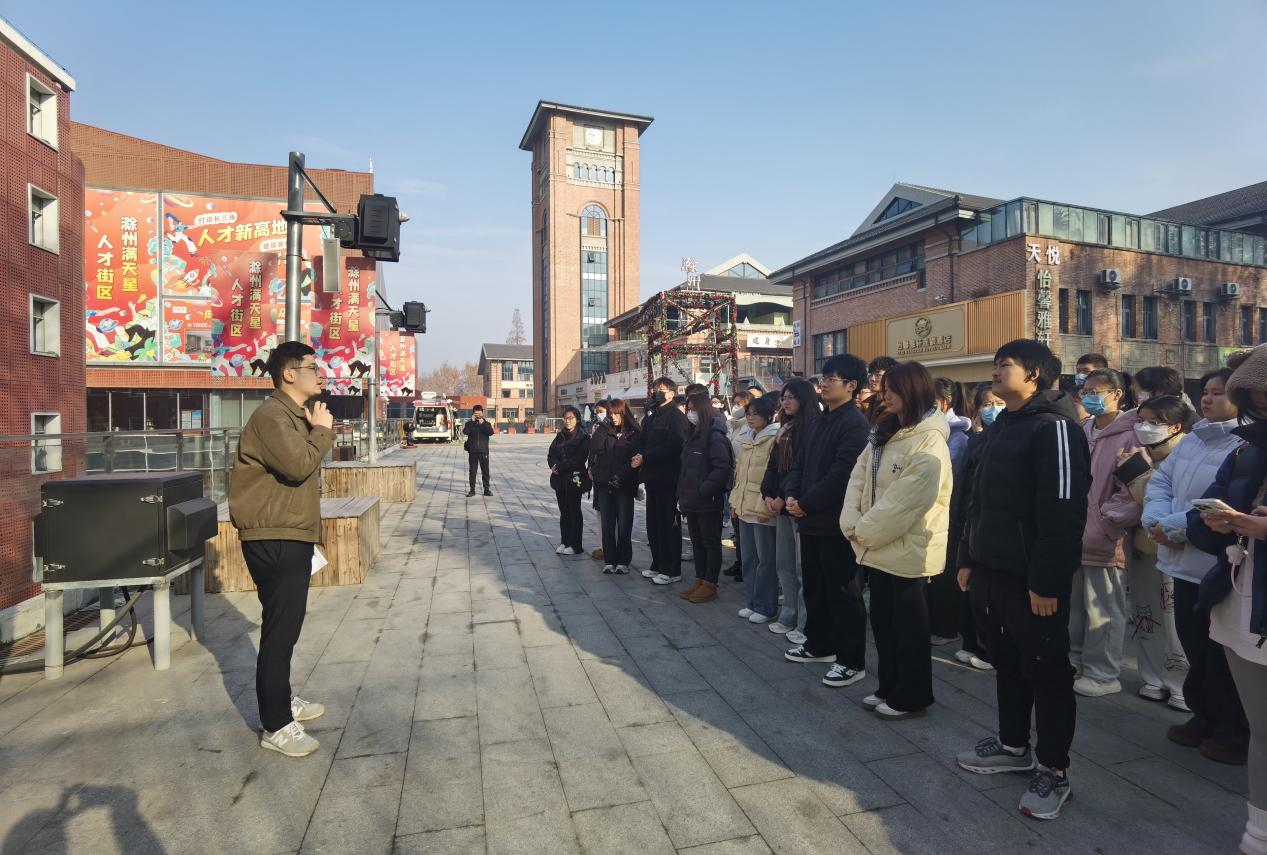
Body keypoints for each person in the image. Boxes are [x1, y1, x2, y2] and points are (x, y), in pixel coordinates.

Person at [955, 339, 1090, 821]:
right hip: (990, 570)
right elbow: (976, 501)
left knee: (1047, 673)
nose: (994, 372)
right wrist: (967, 557)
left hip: (1032, 581)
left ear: (1033, 374)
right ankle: (1013, 744)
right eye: (995, 364)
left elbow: (1064, 511)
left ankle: (1053, 769)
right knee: (1008, 663)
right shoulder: (999, 428)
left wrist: (1047, 582)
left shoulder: (1055, 428)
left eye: (1004, 365)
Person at [228, 341, 334, 758]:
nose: (320, 374)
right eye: (313, 367)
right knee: (280, 629)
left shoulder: (289, 415)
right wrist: (322, 429)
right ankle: (276, 724)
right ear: (289, 374)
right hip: (275, 535)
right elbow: (298, 465)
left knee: (285, 626)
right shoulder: (272, 416)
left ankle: (282, 698)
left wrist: (313, 428)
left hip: (287, 531)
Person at [1144, 368, 1250, 762]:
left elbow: (1225, 501)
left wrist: (1174, 526)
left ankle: (1233, 728)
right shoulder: (1193, 439)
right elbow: (1161, 482)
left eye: (1219, 392)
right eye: (1205, 391)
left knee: (1222, 653)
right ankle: (1203, 715)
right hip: (1180, 561)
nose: (1208, 399)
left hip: (1217, 563)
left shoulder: (1246, 443)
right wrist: (1156, 520)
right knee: (1195, 645)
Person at [1187, 346, 1267, 855]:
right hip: (1240, 598)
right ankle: (1259, 830)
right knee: (1262, 727)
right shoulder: (1244, 451)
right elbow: (1201, 520)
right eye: (1256, 398)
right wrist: (1215, 523)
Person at [842, 362, 952, 719]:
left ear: (914, 391)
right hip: (877, 545)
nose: (885, 395)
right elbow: (859, 477)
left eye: (893, 389)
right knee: (884, 625)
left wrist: (863, 531)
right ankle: (889, 686)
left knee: (909, 630)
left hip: (907, 549)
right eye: (885, 388)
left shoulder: (929, 439)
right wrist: (851, 522)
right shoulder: (885, 430)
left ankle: (913, 696)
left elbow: (908, 501)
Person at [783, 354, 871, 688]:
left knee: (843, 593)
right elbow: (800, 463)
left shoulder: (855, 424)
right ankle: (819, 644)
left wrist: (805, 503)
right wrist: (792, 495)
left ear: (851, 385)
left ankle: (850, 660)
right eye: (824, 377)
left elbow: (842, 475)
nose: (824, 383)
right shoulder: (821, 420)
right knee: (815, 588)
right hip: (808, 519)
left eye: (832, 379)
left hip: (835, 523)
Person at [1104, 395, 1193, 710]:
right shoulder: (1138, 451)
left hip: (1175, 548)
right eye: (1141, 420)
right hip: (1143, 547)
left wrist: (1138, 475)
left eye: (1154, 422)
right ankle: (1153, 677)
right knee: (1145, 615)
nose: (1144, 427)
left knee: (1174, 619)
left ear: (1175, 426)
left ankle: (1183, 684)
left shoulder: (1187, 454)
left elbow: (1167, 500)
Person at [1071, 368, 1140, 696]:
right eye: (1085, 391)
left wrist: (1106, 521)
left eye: (1096, 391)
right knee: (1075, 607)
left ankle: (1103, 673)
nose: (1089, 397)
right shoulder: (1083, 429)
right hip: (1074, 534)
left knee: (1104, 609)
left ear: (1117, 394)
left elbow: (1133, 491)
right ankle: (1075, 661)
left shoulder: (1131, 436)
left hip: (1106, 538)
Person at [947, 383, 1005, 671]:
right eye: (987, 404)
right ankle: (972, 642)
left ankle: (989, 648)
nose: (993, 409)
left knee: (991, 594)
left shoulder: (1007, 439)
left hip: (993, 527)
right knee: (969, 587)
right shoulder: (976, 440)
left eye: (999, 403)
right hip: (968, 519)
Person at [762, 380, 818, 644]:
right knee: (783, 563)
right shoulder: (784, 427)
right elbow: (772, 465)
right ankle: (789, 614)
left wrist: (783, 497)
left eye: (791, 397)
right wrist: (767, 493)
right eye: (783, 397)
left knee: (801, 567)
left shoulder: (812, 427)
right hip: (780, 503)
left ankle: (805, 622)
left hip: (798, 504)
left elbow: (801, 469)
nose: (785, 401)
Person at [676, 392, 734, 603]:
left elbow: (722, 468)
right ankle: (699, 579)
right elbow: (685, 470)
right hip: (691, 501)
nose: (690, 413)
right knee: (697, 542)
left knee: (710, 543)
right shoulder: (692, 435)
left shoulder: (715, 436)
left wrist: (704, 490)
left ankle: (710, 583)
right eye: (688, 409)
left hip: (707, 501)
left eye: (693, 409)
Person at [632, 378, 690, 584]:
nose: (657, 392)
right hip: (652, 477)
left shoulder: (677, 417)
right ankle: (657, 563)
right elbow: (642, 440)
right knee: (653, 524)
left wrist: (646, 457)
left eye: (661, 389)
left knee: (668, 524)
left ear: (672, 393)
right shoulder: (652, 416)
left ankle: (672, 570)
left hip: (668, 478)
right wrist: (638, 454)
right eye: (655, 389)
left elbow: (674, 445)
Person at [731, 395, 780, 622]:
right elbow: (740, 474)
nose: (751, 418)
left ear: (769, 416)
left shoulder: (775, 438)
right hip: (744, 506)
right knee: (749, 559)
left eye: (756, 414)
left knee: (766, 561)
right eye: (749, 414)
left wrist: (764, 508)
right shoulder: (747, 437)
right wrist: (735, 503)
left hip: (762, 508)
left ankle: (766, 607)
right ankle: (752, 602)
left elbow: (773, 476)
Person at [588, 398, 640, 574]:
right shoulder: (604, 429)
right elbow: (594, 447)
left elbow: (634, 458)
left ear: (624, 413)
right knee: (607, 525)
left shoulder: (633, 432)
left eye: (618, 414)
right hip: (604, 484)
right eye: (611, 414)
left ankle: (623, 561)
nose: (614, 418)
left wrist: (621, 475)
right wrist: (604, 426)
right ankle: (610, 560)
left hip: (624, 485)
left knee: (624, 525)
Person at [547, 406, 590, 556]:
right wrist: (553, 465)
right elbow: (551, 454)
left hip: (574, 479)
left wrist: (559, 467)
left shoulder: (583, 437)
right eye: (565, 418)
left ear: (577, 419)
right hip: (560, 479)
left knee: (574, 511)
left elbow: (579, 459)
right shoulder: (560, 435)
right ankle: (565, 541)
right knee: (563, 512)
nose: (567, 421)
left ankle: (575, 545)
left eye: (570, 418)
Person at [723, 390, 754, 580]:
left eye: (739, 403)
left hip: (744, 480)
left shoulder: (749, 428)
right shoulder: (732, 426)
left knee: (744, 527)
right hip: (732, 480)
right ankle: (740, 561)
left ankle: (746, 564)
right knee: (737, 527)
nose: (735, 407)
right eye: (734, 403)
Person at [590, 400, 610, 561]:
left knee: (610, 514)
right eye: (597, 412)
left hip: (609, 477)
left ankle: (609, 546)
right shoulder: (596, 427)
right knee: (599, 513)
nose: (599, 414)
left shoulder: (615, 429)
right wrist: (590, 466)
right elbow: (592, 451)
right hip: (597, 477)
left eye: (601, 411)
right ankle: (602, 545)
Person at [463, 405, 494, 497]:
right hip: (473, 451)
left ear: (482, 413)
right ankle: (472, 490)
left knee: (485, 471)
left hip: (484, 451)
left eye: (479, 414)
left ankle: (486, 490)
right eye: (476, 414)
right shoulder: (469, 423)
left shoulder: (486, 423)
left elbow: (490, 432)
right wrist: (472, 422)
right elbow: (465, 432)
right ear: (473, 414)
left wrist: (483, 423)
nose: (477, 415)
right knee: (472, 471)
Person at [860, 356, 898, 422]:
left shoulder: (895, 404)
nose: (872, 379)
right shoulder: (866, 402)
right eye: (870, 375)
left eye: (877, 375)